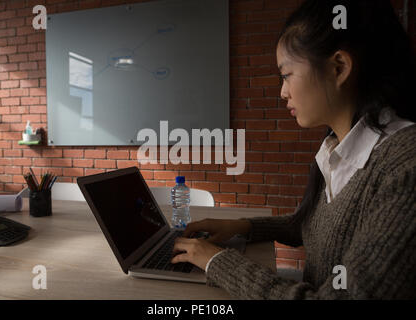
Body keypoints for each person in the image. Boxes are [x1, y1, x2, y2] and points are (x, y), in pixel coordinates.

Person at [171, 0, 416, 299]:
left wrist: (216, 261)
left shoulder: (405, 166)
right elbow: (318, 228)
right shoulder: (340, 149)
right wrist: (241, 226)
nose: (282, 92)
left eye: (286, 75)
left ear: (339, 68)